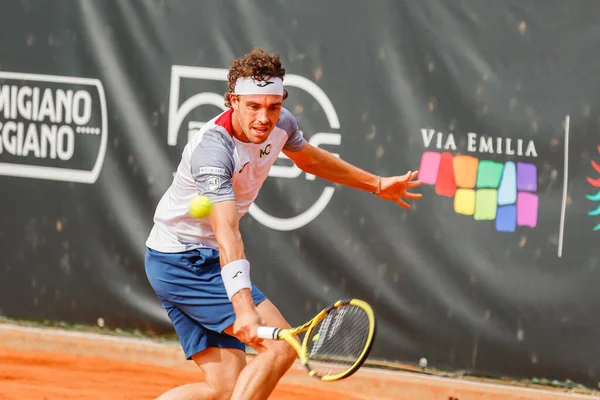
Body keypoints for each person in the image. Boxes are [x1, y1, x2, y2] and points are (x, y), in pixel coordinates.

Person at [144, 48, 422, 400]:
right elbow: (227, 232)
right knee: (281, 346)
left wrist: (377, 184)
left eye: (273, 106)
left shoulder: (282, 124)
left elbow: (308, 159)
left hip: (191, 258)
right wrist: (244, 308)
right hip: (183, 262)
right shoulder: (213, 150)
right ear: (233, 101)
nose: (265, 118)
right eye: (253, 106)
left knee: (225, 387)